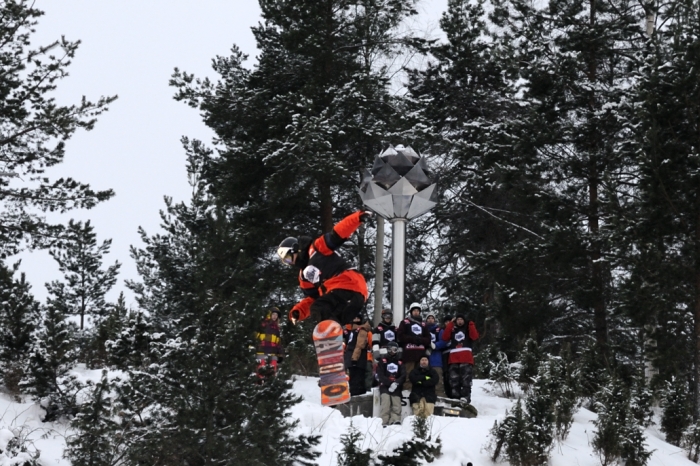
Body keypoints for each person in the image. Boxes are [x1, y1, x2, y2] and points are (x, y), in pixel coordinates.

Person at [277, 211, 372, 326]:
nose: (291, 263)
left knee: (319, 308)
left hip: (346, 282)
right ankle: (335, 339)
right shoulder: (303, 277)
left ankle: (330, 332)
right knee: (331, 316)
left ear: (296, 249)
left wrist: (356, 218)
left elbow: (337, 234)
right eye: (286, 262)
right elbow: (313, 298)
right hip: (353, 297)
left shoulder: (316, 248)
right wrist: (298, 312)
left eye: (288, 258)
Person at [442, 314, 479, 404]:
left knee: (466, 380)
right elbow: (444, 337)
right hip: (453, 358)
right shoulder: (452, 329)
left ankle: (465, 397)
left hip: (466, 358)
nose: (459, 321)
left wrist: (471, 324)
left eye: (461, 319)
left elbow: (475, 336)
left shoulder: (467, 328)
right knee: (454, 380)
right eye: (458, 319)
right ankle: (455, 398)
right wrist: (450, 324)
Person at [396, 302, 432, 391]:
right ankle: (406, 393)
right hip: (409, 354)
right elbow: (400, 335)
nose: (416, 312)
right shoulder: (405, 322)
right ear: (411, 312)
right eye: (414, 311)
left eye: (417, 311)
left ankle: (418, 393)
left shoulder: (423, 324)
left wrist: (421, 340)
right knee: (408, 374)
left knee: (420, 375)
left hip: (421, 355)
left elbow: (428, 338)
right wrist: (413, 339)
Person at [376, 341, 406, 426]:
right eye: (390, 350)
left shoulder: (400, 362)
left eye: (394, 350)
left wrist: (396, 383)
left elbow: (403, 375)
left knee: (396, 404)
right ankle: (384, 420)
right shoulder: (383, 361)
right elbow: (380, 374)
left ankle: (395, 419)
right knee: (385, 403)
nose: (392, 352)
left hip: (396, 386)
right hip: (385, 385)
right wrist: (389, 383)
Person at [344, 315, 372, 396]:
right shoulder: (350, 330)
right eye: (354, 318)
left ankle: (357, 395)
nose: (356, 320)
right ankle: (353, 393)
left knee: (358, 378)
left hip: (359, 358)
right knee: (352, 378)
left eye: (358, 318)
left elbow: (360, 345)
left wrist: (354, 358)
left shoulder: (363, 330)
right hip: (350, 356)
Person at [255, 307, 283, 377]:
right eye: (273, 314)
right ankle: (259, 382)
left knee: (273, 367)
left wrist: (279, 354)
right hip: (262, 349)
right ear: (269, 314)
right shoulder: (264, 323)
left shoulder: (277, 327)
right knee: (261, 366)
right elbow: (255, 333)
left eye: (276, 315)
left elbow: (278, 342)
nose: (275, 316)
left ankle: (270, 383)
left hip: (273, 351)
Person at [425, 313, 448, 398]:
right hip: (425, 359)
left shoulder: (439, 330)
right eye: (429, 318)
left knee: (438, 379)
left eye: (432, 318)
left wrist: (435, 346)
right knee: (426, 379)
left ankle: (440, 396)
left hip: (436, 359)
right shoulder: (423, 329)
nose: (430, 320)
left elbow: (444, 341)